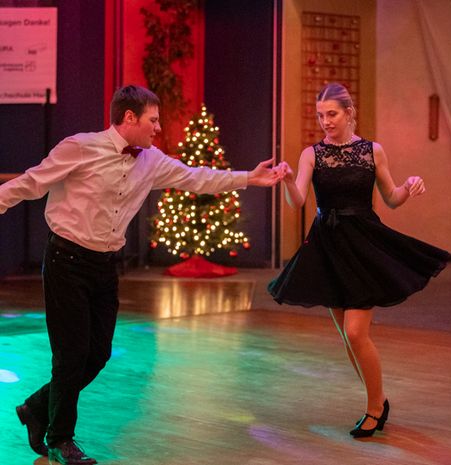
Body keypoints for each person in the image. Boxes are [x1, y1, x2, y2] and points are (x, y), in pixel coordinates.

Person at [0, 85, 281, 464]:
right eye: (153, 119)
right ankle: (59, 439)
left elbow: (196, 177)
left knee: (97, 354)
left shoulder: (152, 161)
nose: (158, 127)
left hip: (104, 266)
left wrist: (249, 178)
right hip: (66, 261)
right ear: (129, 117)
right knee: (71, 355)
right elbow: (32, 182)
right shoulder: (80, 147)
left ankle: (36, 407)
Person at [269, 83, 449, 438]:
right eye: (320, 115)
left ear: (349, 112)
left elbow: (392, 197)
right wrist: (288, 180)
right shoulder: (311, 154)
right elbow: (298, 201)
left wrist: (410, 184)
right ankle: (378, 400)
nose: (325, 121)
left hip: (363, 243)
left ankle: (375, 408)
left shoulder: (372, 151)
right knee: (348, 336)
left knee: (355, 331)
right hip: (327, 246)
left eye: (332, 114)